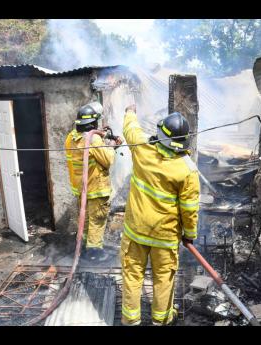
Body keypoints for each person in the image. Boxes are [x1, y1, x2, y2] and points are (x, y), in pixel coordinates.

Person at [121, 104, 200, 326]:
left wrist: (130, 112)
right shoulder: (187, 170)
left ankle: (131, 320)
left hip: (135, 231)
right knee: (163, 279)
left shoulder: (141, 147)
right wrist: (189, 234)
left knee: (132, 275)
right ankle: (161, 320)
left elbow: (130, 129)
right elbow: (190, 208)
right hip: (165, 236)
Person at [65, 101, 122, 263]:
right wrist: (111, 145)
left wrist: (101, 136)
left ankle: (83, 247)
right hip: (96, 189)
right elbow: (108, 160)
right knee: (97, 220)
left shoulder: (71, 138)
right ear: (93, 123)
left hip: (81, 190)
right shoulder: (93, 140)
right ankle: (94, 252)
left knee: (86, 219)